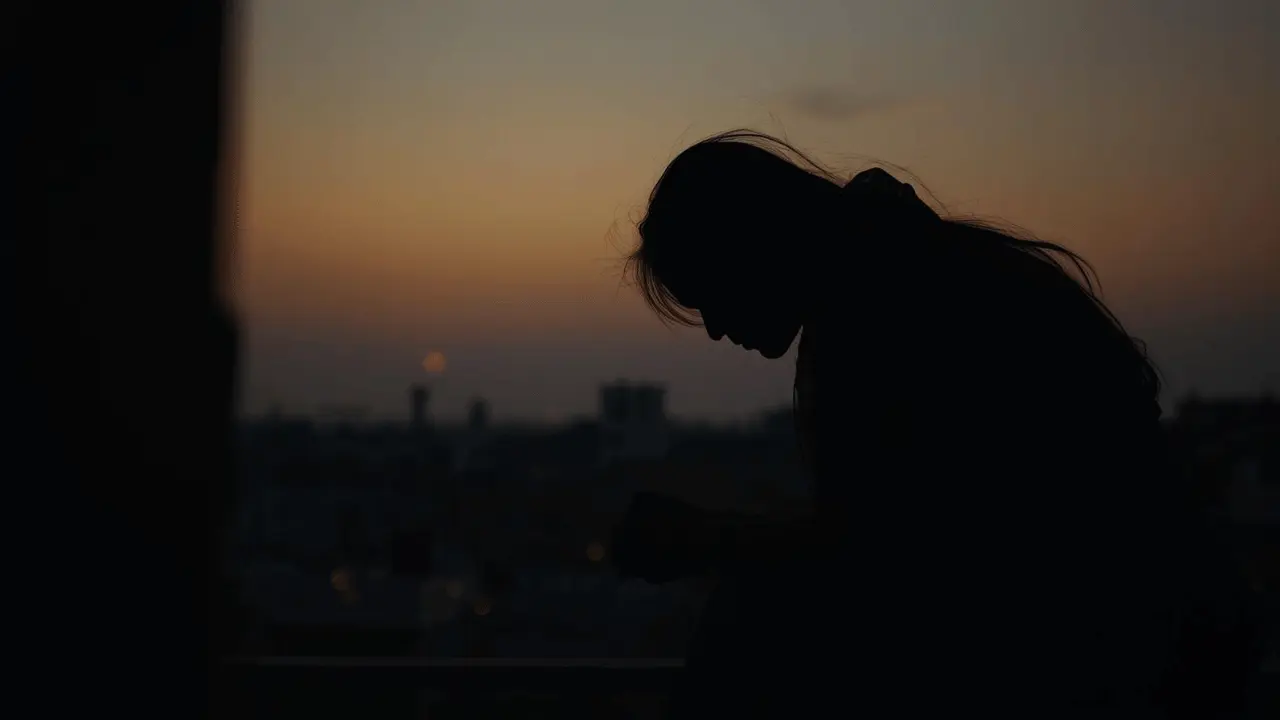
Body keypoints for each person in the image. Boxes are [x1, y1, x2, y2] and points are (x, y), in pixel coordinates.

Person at [610, 130, 1264, 718]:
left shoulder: (879, 316)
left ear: (750, 247)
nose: (716, 328)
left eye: (710, 293)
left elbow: (892, 552)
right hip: (1161, 635)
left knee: (751, 622)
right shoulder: (919, 269)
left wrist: (709, 540)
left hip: (1109, 653)